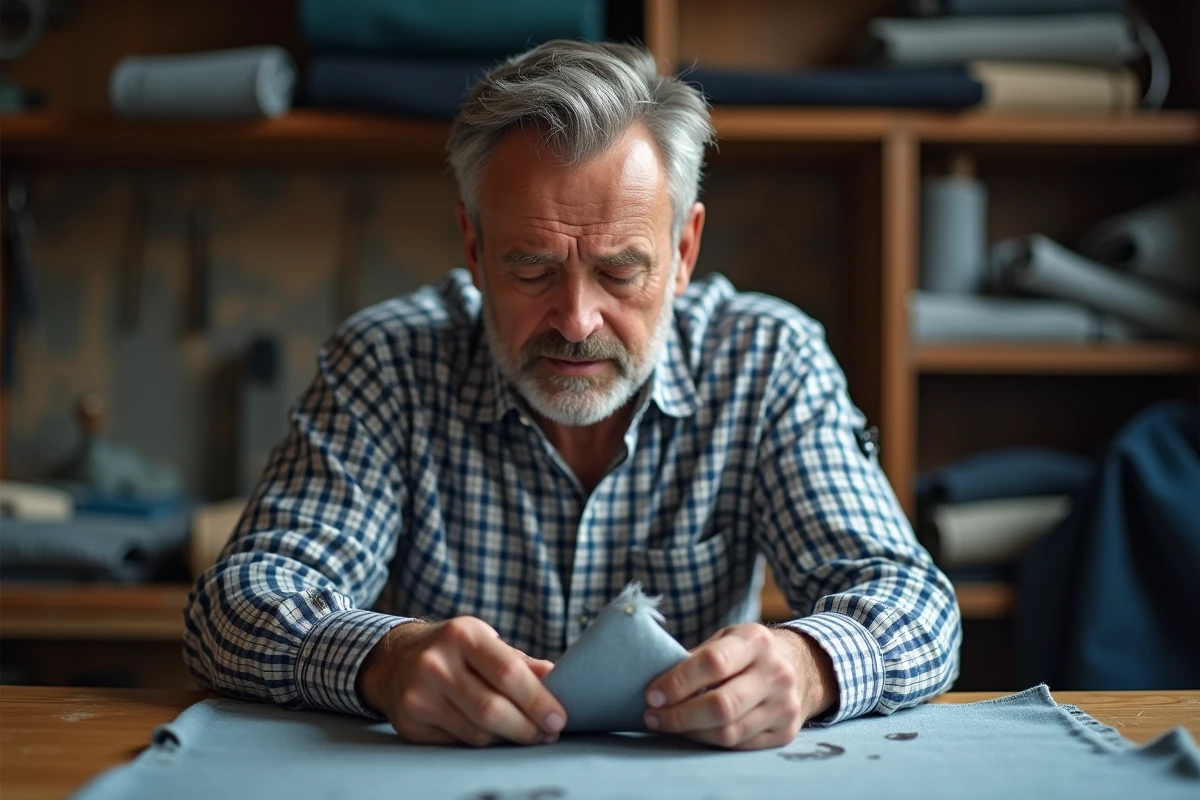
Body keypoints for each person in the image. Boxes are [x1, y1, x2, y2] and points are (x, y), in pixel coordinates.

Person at [183, 39, 961, 752]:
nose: (577, 320)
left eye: (621, 271)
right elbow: (235, 604)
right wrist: (380, 661)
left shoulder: (767, 361)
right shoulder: (387, 365)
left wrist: (811, 661)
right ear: (474, 247)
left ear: (683, 250)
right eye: (531, 269)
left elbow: (912, 602)